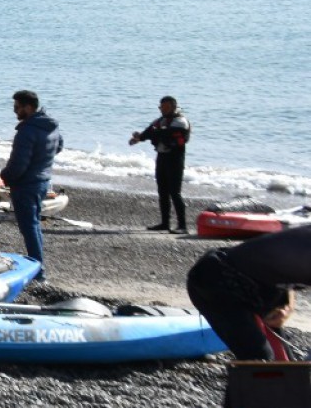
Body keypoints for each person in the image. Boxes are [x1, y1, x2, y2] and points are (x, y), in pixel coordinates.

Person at [185, 229, 309, 361]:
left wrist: (287, 305)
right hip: (214, 278)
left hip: (261, 285)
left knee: (284, 361)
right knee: (260, 359)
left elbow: (292, 267)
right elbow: (290, 251)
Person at [0, 89, 63, 267]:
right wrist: (43, 158)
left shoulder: (26, 131)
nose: (14, 111)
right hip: (43, 181)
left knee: (29, 228)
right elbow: (58, 145)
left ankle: (38, 269)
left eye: (17, 107)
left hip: (26, 185)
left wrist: (3, 177)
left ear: (28, 107)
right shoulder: (50, 125)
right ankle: (38, 265)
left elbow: (19, 165)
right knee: (34, 226)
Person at [132, 96, 191, 232]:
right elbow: (149, 132)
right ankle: (165, 223)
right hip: (162, 157)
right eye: (161, 107)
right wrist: (138, 138)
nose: (162, 110)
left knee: (175, 192)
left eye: (165, 107)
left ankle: (182, 226)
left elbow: (165, 134)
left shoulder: (181, 122)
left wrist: (155, 134)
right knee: (162, 191)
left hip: (175, 159)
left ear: (173, 107)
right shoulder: (160, 121)